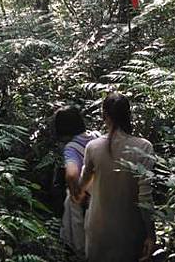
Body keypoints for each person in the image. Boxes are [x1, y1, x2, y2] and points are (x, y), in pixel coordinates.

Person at [74, 92, 155, 262]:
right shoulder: (143, 148)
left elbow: (82, 185)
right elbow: (145, 198)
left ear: (104, 115)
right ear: (128, 116)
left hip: (97, 232)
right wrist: (151, 234)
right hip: (130, 234)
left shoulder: (93, 147)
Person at [53, 106, 100, 257]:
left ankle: (79, 251)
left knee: (74, 213)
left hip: (87, 193)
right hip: (105, 189)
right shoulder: (96, 136)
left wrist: (77, 193)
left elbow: (72, 174)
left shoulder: (71, 148)